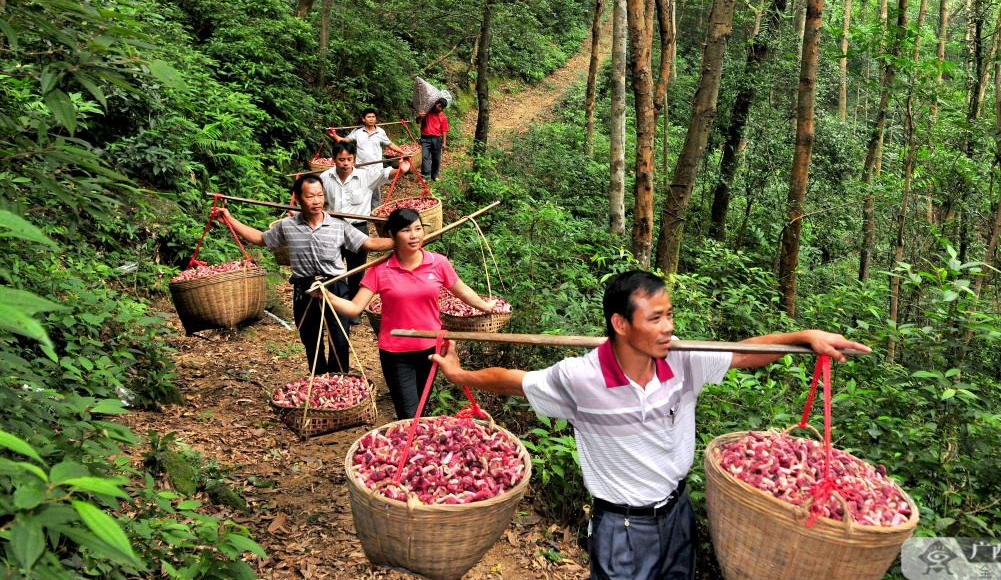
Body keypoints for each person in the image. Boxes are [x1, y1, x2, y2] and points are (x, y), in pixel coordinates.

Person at [432, 270, 870, 580]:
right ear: (620, 324)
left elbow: (743, 353)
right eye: (655, 318)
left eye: (669, 315)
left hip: (678, 513)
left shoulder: (683, 358)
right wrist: (460, 375)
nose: (669, 328)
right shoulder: (580, 379)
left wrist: (803, 337)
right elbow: (514, 382)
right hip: (622, 528)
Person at [322, 208, 498, 419]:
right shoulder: (379, 270)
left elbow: (462, 291)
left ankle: (413, 448)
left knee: (421, 410)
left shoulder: (438, 263)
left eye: (418, 229)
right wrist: (327, 296)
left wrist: (486, 306)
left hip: (430, 349)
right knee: (408, 414)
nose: (414, 236)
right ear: (391, 235)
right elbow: (354, 308)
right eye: (406, 230)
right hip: (395, 352)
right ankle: (409, 446)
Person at [215, 175, 393, 375]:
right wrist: (230, 220)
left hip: (334, 285)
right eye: (310, 196)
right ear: (298, 199)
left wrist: (402, 242)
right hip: (305, 288)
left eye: (320, 195)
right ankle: (317, 382)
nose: (316, 201)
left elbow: (369, 243)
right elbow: (260, 239)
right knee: (311, 339)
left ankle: (339, 382)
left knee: (340, 339)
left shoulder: (338, 225)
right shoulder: (287, 226)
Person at [321, 141, 399, 324]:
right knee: (332, 269)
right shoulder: (325, 177)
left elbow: (388, 174)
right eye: (341, 159)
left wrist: (401, 168)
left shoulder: (365, 176)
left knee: (356, 271)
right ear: (334, 160)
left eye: (349, 159)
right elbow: (317, 197)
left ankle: (354, 310)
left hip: (357, 228)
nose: (345, 163)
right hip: (333, 228)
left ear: (354, 159)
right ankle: (334, 306)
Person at [328, 108, 393, 207]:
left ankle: (375, 211)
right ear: (363, 119)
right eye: (369, 117)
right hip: (361, 167)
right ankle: (362, 210)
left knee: (375, 192)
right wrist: (334, 135)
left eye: (373, 117)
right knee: (360, 190)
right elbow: (345, 140)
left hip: (376, 168)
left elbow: (390, 144)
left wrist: (403, 152)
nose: (371, 119)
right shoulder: (357, 132)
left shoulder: (380, 132)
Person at [416, 99, 448, 181]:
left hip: (436, 139)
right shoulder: (427, 112)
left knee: (436, 158)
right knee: (425, 157)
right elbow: (418, 122)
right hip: (425, 138)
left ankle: (435, 175)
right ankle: (426, 176)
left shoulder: (442, 116)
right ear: (436, 104)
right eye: (439, 106)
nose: (440, 109)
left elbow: (444, 130)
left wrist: (444, 142)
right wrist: (419, 116)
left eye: (442, 108)